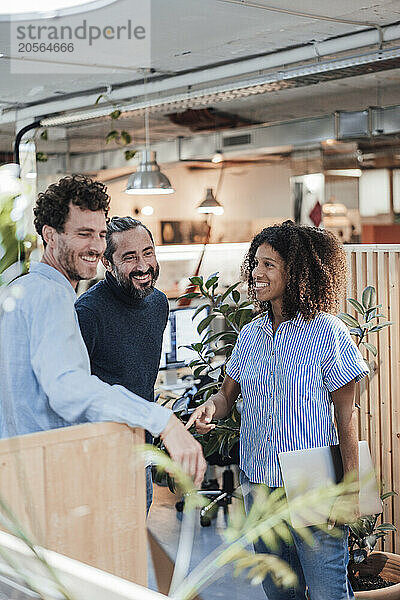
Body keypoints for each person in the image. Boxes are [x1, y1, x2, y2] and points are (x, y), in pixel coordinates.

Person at [186, 220, 369, 600]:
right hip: (260, 487)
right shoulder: (250, 336)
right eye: (255, 263)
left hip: (313, 485)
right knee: (278, 592)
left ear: (296, 271)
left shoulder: (327, 332)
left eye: (269, 264)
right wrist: (209, 408)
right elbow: (226, 397)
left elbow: (346, 420)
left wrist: (349, 491)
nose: (257, 273)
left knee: (326, 593)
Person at [0, 174, 206, 491]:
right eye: (84, 234)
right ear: (50, 236)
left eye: (99, 234)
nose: (96, 245)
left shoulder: (22, 291)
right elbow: (70, 389)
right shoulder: (55, 300)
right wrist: (162, 421)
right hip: (60, 480)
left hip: (25, 482)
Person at [75, 216, 168, 511]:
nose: (143, 266)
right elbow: (75, 392)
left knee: (134, 548)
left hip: (140, 452)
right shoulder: (87, 313)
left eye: (148, 253)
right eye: (129, 257)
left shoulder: (159, 303)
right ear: (107, 262)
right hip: (98, 459)